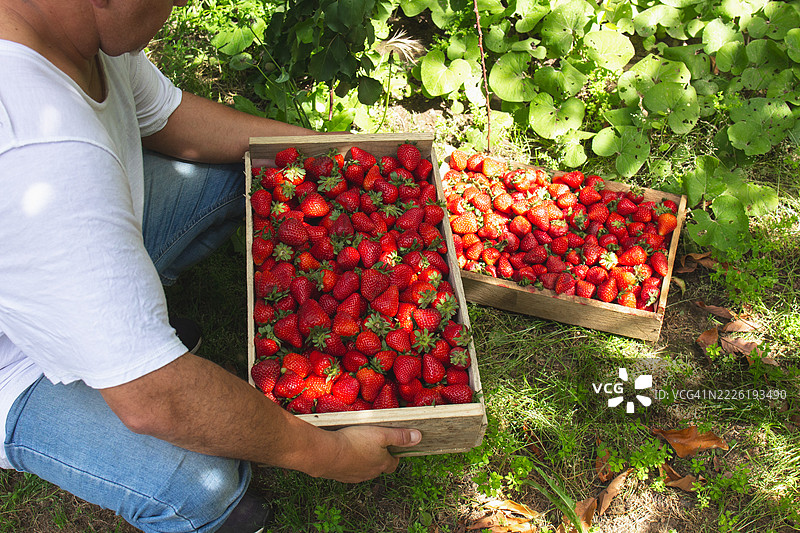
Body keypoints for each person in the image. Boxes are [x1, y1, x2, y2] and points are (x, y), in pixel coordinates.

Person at [0, 1, 422, 532]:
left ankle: (121, 326)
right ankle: (122, 350)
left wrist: (329, 155)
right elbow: (155, 401)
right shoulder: (40, 149)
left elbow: (172, 119)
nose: (176, 8)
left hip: (45, 253)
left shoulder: (72, 28)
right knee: (208, 487)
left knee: (244, 178)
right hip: (14, 364)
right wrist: (330, 455)